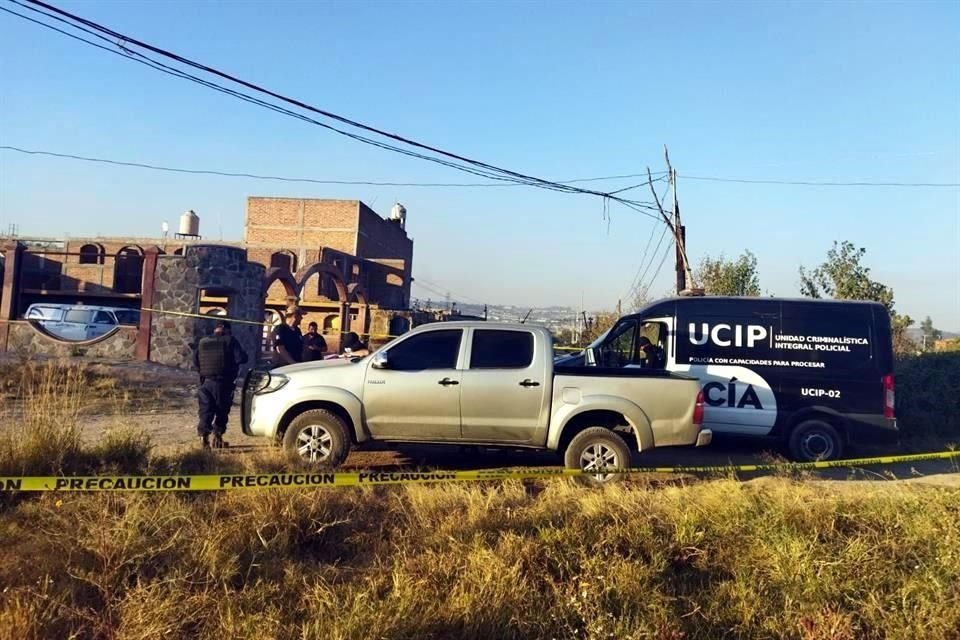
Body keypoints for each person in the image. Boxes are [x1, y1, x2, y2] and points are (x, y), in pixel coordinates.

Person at [193, 321, 248, 449]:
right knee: (222, 411)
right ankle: (217, 438)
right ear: (224, 328)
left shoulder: (203, 342)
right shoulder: (230, 340)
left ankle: (204, 438)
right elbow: (241, 358)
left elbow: (195, 361)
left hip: (205, 383)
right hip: (223, 383)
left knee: (205, 410)